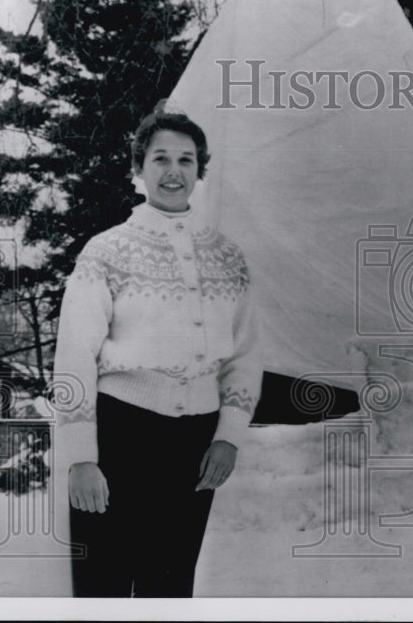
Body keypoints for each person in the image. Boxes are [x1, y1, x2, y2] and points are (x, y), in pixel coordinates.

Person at [52, 103, 261, 597]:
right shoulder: (106, 251)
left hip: (193, 445)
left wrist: (228, 435)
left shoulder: (228, 257)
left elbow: (245, 355)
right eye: (160, 159)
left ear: (199, 171)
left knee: (167, 588)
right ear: (138, 168)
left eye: (186, 160)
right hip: (121, 433)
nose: (173, 172)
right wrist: (81, 456)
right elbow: (74, 356)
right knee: (103, 587)